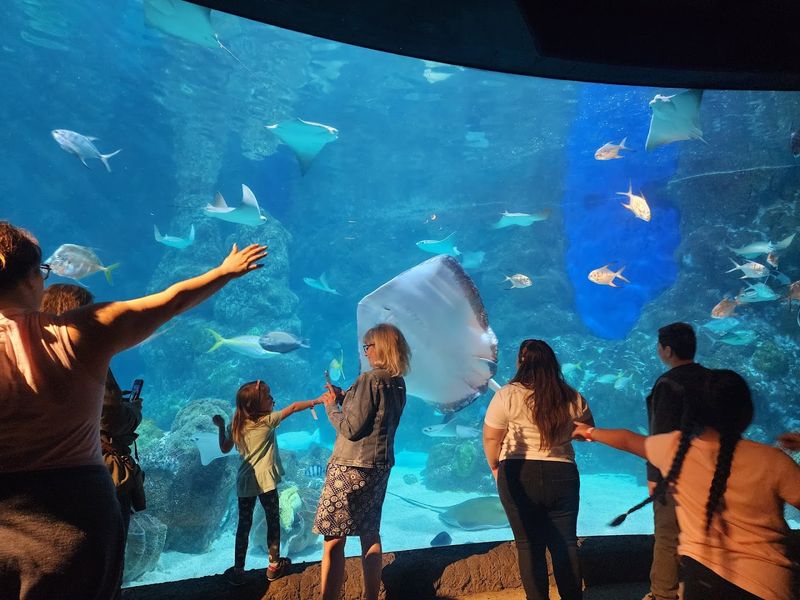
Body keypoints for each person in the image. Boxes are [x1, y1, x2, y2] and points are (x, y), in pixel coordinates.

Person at [0, 220, 266, 600]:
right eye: (42, 271)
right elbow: (171, 301)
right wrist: (224, 272)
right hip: (76, 524)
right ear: (31, 279)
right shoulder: (76, 333)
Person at [573, 369, 800, 600]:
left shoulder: (676, 450)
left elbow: (628, 439)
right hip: (768, 584)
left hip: (701, 581)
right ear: (747, 412)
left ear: (696, 413)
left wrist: (588, 431)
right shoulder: (773, 460)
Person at [482, 339, 594, 600]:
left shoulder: (507, 395)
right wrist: (563, 432)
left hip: (518, 475)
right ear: (551, 363)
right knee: (565, 544)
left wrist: (495, 467)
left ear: (521, 361)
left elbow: (491, 439)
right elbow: (588, 432)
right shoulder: (571, 396)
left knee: (528, 545)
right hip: (562, 475)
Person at [313, 323, 410, 600]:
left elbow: (351, 429)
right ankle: (371, 596)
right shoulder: (398, 381)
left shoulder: (369, 379)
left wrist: (332, 404)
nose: (366, 352)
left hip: (350, 467)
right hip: (379, 467)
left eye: (368, 347)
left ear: (380, 347)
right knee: (369, 534)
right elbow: (373, 416)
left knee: (333, 539)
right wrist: (348, 397)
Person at [211, 379, 326, 586]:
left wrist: (220, 427)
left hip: (245, 482)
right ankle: (273, 566)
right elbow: (292, 408)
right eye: (267, 396)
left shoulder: (235, 424)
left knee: (243, 526)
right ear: (254, 405)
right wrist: (314, 401)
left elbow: (224, 448)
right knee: (273, 521)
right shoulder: (267, 421)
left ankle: (238, 571)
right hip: (266, 482)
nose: (272, 398)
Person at [643, 322, 709, 600]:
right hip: (710, 470)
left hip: (674, 473)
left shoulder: (668, 383)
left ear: (667, 350)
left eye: (660, 345)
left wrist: (653, 476)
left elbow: (661, 435)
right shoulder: (712, 379)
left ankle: (664, 593)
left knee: (668, 535)